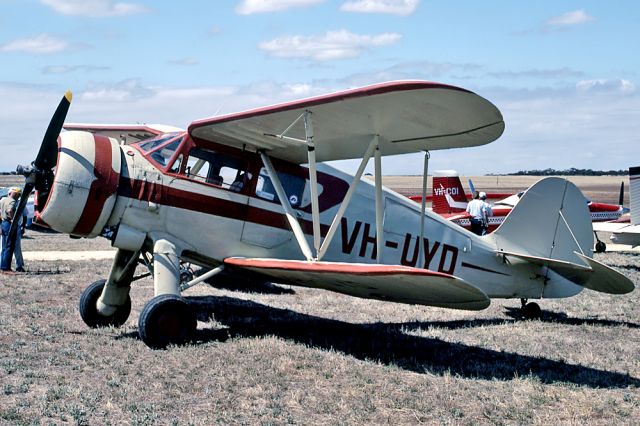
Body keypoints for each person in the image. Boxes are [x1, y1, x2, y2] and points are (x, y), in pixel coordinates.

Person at [1, 187, 26, 273]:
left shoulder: (3, 200)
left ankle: (2, 266)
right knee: (9, 246)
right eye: (18, 194)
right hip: (9, 224)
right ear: (13, 193)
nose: (18, 196)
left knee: (4, 247)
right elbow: (10, 210)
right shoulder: (12, 201)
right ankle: (6, 268)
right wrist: (13, 220)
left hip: (3, 223)